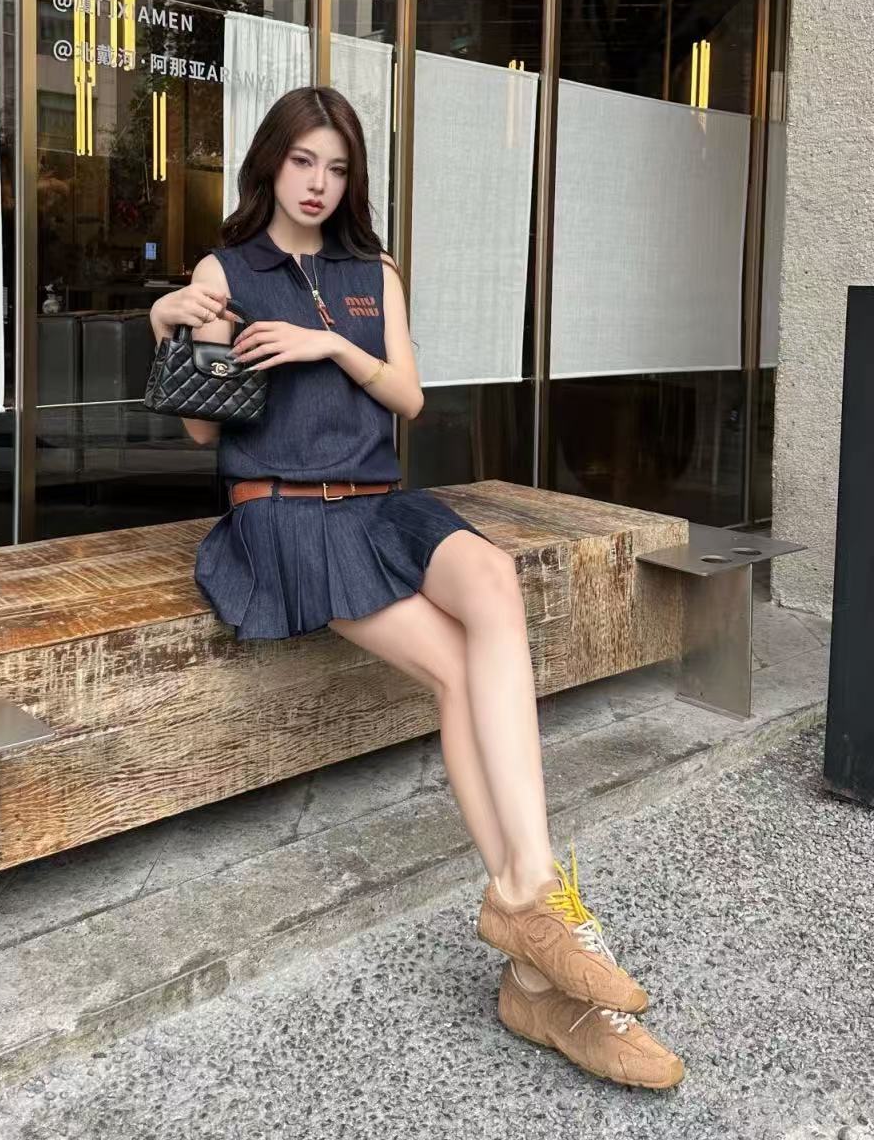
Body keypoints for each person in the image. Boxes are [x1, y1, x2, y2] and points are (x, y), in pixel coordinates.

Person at [149, 85, 684, 1090]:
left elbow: (409, 395)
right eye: (302, 161)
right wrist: (169, 321)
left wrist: (329, 344)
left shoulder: (371, 270)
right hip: (286, 513)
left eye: (337, 166)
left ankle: (529, 909)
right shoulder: (229, 269)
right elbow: (200, 427)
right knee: (455, 672)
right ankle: (541, 943)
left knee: (490, 577)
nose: (318, 183)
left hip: (378, 506)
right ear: (270, 163)